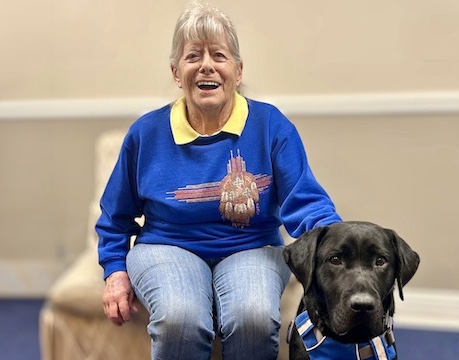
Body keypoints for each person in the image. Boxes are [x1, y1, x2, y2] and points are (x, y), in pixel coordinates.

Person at [96, 1, 342, 359]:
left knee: (253, 318)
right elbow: (115, 217)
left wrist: (341, 249)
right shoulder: (145, 133)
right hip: (168, 246)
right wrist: (115, 271)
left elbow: (306, 203)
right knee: (180, 319)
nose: (206, 65)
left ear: (238, 71)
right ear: (177, 73)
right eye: (193, 55)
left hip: (252, 247)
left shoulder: (271, 126)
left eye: (219, 55)